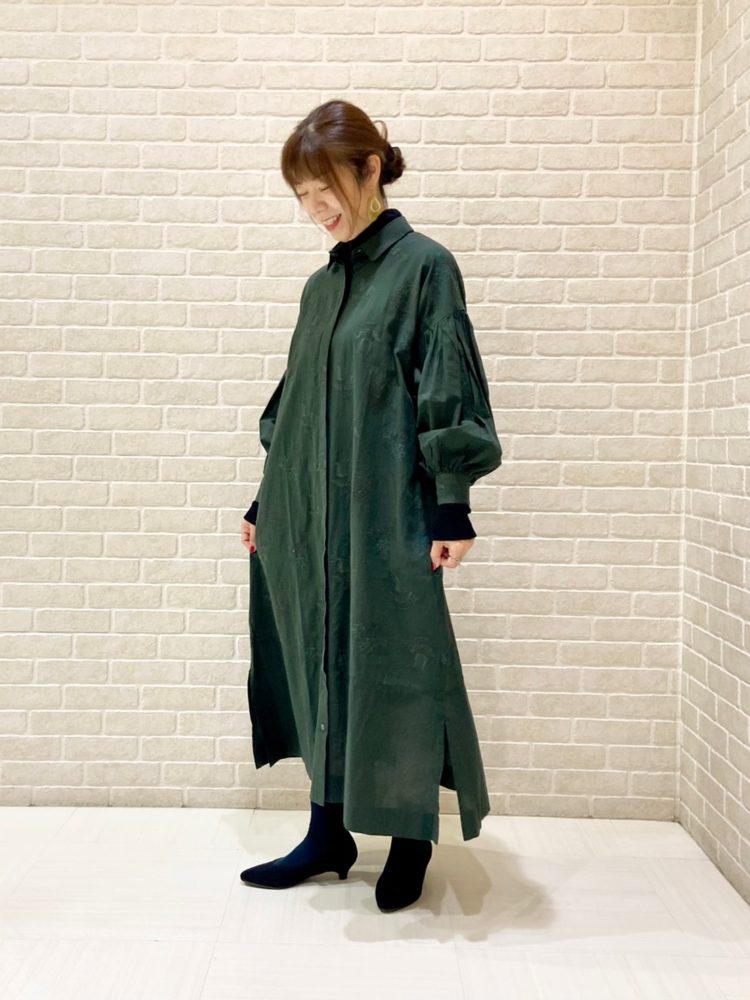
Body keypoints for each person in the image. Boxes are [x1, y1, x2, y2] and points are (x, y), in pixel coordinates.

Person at [239, 99, 502, 913]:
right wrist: (266, 502)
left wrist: (451, 504)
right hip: (305, 513)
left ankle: (411, 838)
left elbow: (447, 384)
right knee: (316, 657)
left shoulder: (425, 267)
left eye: (324, 189)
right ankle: (329, 831)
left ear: (371, 168)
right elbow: (296, 405)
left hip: (389, 510)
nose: (315, 209)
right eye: (301, 196)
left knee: (398, 664)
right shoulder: (321, 289)